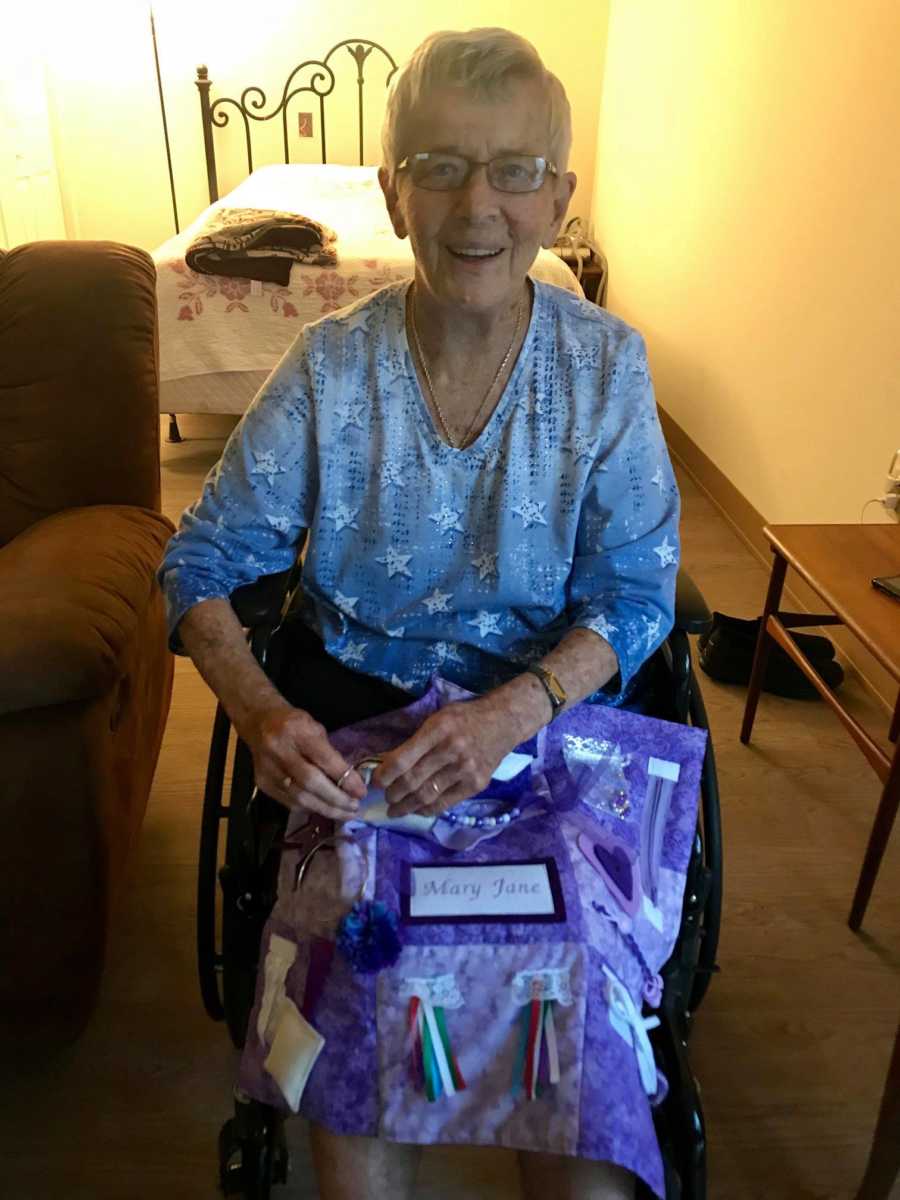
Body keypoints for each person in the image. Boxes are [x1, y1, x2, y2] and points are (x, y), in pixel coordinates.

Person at [160, 27, 679, 1200]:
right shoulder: (324, 370)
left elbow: (640, 591)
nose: (476, 204)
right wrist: (255, 709)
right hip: (352, 726)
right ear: (393, 194)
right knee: (355, 976)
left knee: (580, 1005)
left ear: (559, 197)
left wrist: (511, 712)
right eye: (439, 166)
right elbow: (199, 561)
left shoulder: (609, 369)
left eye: (511, 170)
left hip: (542, 727)